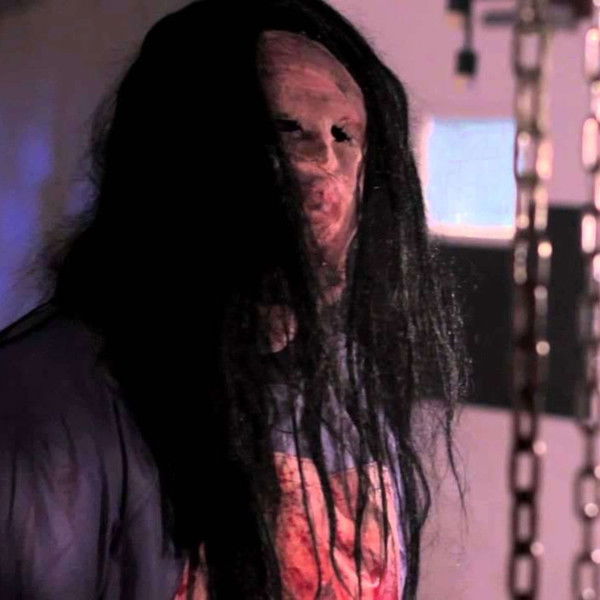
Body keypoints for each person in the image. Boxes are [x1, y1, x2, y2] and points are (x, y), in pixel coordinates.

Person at [0, 0, 467, 598]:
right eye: (286, 131)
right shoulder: (53, 396)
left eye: (344, 135)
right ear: (189, 159)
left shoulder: (343, 392)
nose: (324, 168)